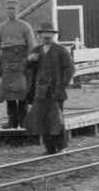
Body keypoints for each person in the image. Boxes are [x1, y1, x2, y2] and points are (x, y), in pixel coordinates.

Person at [24, 23, 75, 154]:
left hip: (56, 91)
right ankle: (49, 148)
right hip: (40, 91)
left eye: (49, 34)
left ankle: (61, 146)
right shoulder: (36, 50)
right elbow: (25, 69)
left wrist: (62, 86)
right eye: (44, 34)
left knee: (57, 120)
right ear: (40, 35)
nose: (47, 36)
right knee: (43, 120)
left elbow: (69, 69)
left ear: (53, 35)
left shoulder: (61, 50)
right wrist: (29, 60)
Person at [0, 0, 36, 129]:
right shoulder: (0, 28)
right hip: (6, 63)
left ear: (18, 10)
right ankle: (12, 121)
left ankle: (24, 120)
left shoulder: (25, 26)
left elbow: (31, 45)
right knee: (8, 92)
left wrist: (29, 62)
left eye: (13, 9)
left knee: (23, 92)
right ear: (6, 11)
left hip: (22, 62)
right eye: (9, 9)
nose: (11, 12)